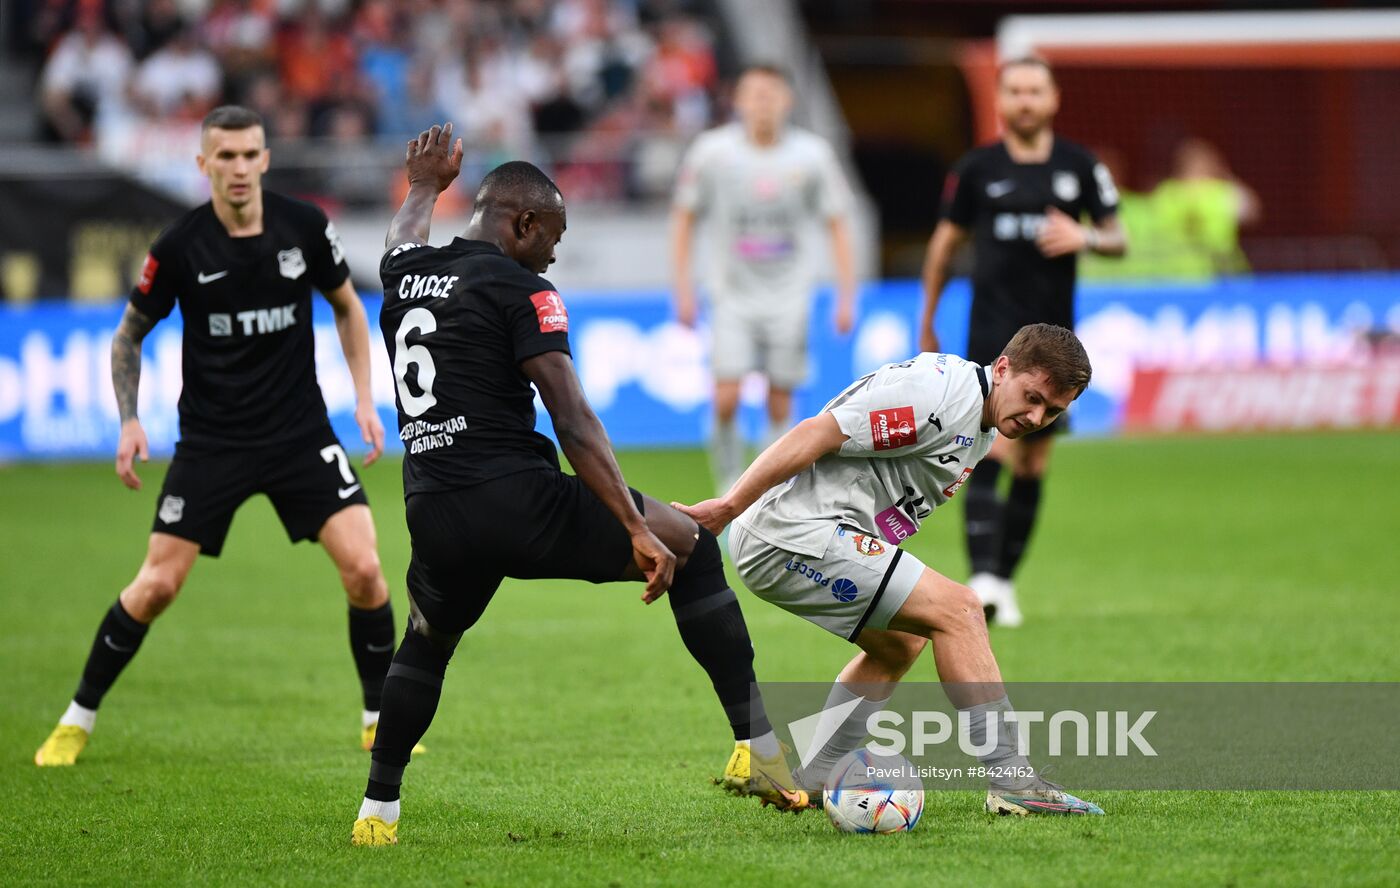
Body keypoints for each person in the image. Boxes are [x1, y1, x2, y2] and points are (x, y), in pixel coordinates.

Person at [350, 124, 804, 847]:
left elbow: (399, 240)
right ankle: (763, 752)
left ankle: (378, 812)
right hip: (515, 498)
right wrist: (632, 523)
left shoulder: (406, 274)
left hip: (431, 505)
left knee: (429, 639)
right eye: (552, 234)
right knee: (689, 543)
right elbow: (575, 419)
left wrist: (424, 187)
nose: (556, 250)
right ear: (522, 223)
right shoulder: (524, 288)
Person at [34, 105, 399, 767]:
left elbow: (347, 305)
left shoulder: (305, 227)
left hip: (299, 434)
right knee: (155, 587)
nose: (238, 168)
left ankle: (380, 720)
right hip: (213, 442)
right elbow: (128, 335)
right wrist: (129, 418)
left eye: (249, 154)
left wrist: (366, 399)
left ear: (265, 158)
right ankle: (75, 718)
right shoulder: (179, 247)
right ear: (203, 164)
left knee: (368, 570)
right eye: (223, 156)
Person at [676, 323, 1104, 816]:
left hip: (813, 532)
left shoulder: (981, 417)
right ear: (1003, 368)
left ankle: (815, 779)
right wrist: (728, 507)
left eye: (1053, 411)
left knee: (901, 644)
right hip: (794, 532)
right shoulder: (939, 398)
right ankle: (1014, 780)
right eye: (1032, 397)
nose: (1035, 417)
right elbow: (816, 432)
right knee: (960, 610)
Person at [918, 56, 1125, 627]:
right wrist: (928, 316)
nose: (1025, 101)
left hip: (1058, 344)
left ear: (1053, 98)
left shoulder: (1079, 166)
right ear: (1001, 100)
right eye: (1015, 91)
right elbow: (944, 242)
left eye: (1035, 91)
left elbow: (1118, 237)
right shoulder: (977, 168)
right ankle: (983, 577)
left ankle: (1002, 583)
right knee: (995, 446)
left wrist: (1082, 234)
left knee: (1034, 459)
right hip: (996, 336)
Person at [671, 63, 858, 495]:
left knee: (779, 398)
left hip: (789, 295)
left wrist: (846, 295)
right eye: (754, 94)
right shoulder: (712, 153)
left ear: (787, 100)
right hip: (730, 293)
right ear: (737, 100)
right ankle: (727, 479)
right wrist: (682, 288)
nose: (763, 103)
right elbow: (683, 216)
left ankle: (760, 491)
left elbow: (837, 223)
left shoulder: (812, 156)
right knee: (727, 397)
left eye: (772, 93)